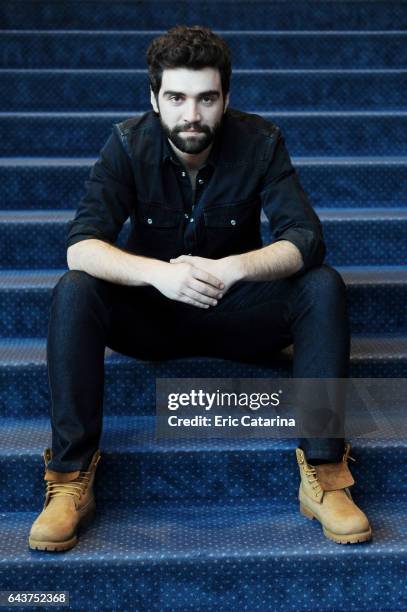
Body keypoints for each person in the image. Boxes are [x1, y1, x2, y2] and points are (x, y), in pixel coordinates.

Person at [28, 25, 371, 552]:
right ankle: (70, 478)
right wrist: (158, 274)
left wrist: (234, 268)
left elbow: (305, 239)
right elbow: (80, 245)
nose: (192, 114)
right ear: (154, 98)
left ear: (226, 98)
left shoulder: (261, 141)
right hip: (154, 317)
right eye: (177, 98)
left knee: (321, 285)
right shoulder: (126, 143)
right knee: (76, 288)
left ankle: (324, 472)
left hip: (239, 316)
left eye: (207, 98)